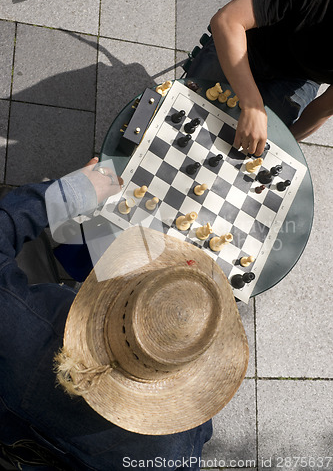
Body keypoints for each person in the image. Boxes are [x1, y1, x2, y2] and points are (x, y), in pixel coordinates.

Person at [0, 157, 248, 471]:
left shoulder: (25, 321)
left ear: (115, 296)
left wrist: (72, 192)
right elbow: (201, 434)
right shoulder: (173, 453)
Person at [188, 0, 333, 157]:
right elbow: (227, 20)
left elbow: (324, 109)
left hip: (300, 79)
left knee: (248, 148)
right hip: (248, 45)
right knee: (192, 106)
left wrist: (283, 146)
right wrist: (252, 105)